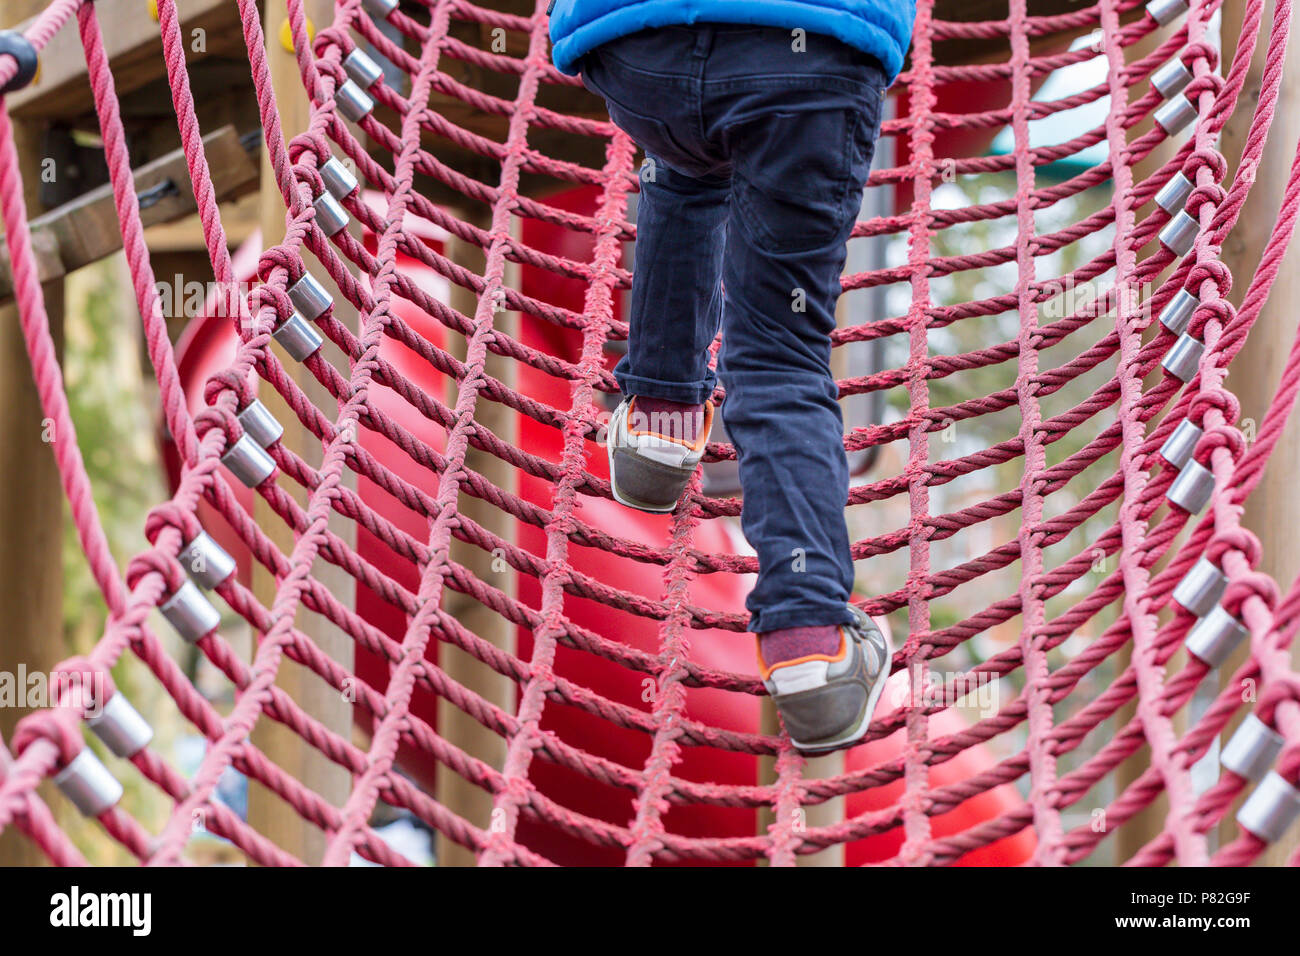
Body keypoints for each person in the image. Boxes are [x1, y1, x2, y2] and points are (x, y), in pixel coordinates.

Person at [547, 1, 915, 753]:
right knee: (779, 351)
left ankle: (658, 423)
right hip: (807, 58)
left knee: (686, 161)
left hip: (638, 50)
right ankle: (808, 642)